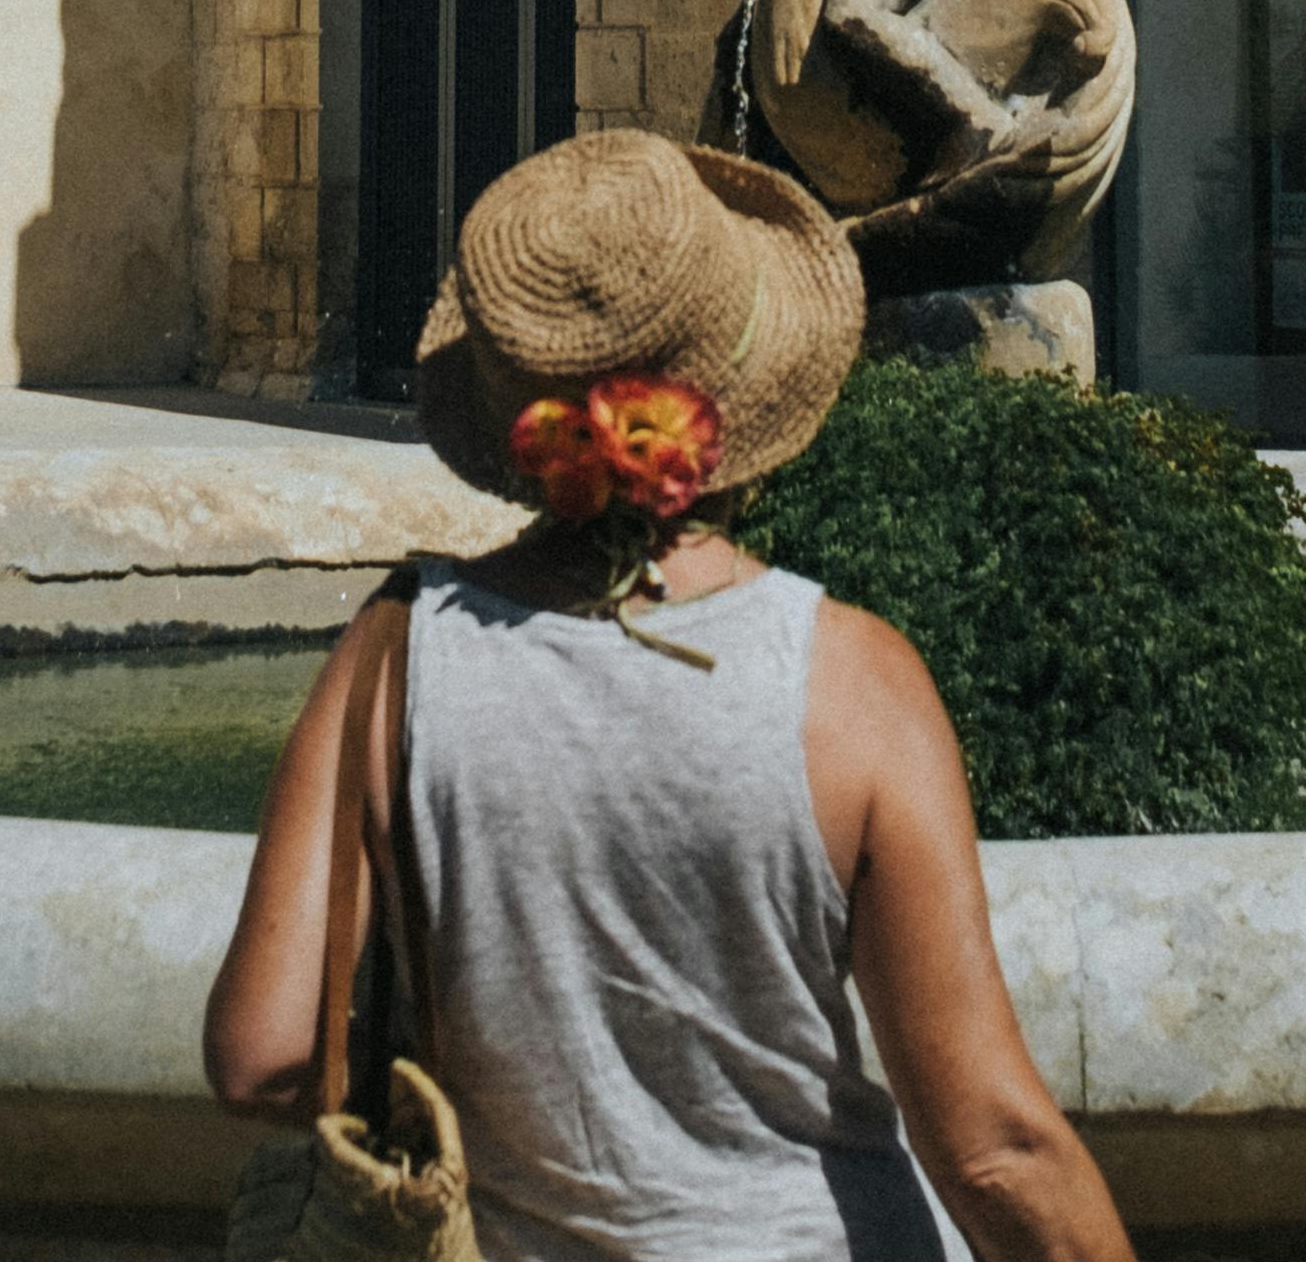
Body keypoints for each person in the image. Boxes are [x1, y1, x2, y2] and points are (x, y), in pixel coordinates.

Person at [204, 129, 1136, 1262]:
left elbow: (261, 1054)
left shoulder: (394, 656)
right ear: (737, 395)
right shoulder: (855, 682)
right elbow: (994, 1151)